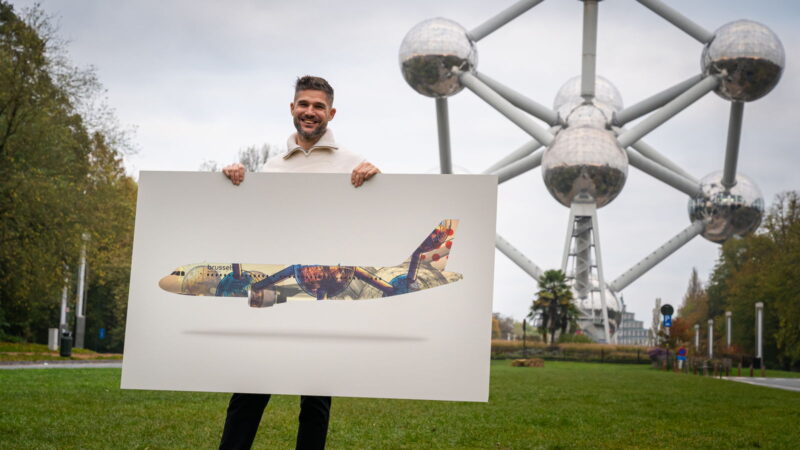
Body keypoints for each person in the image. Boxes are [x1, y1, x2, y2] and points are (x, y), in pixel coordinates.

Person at [218, 75, 379, 450]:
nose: (310, 112)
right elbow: (255, 225)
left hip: (325, 296)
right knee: (249, 392)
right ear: (292, 108)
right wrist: (232, 183)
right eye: (303, 104)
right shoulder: (271, 169)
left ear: (331, 113)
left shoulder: (355, 164)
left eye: (318, 106)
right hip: (276, 293)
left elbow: (376, 220)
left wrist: (378, 180)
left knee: (316, 403)